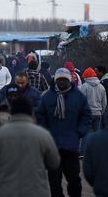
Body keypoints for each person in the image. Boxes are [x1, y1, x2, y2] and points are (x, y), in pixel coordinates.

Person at [0, 96, 60, 197]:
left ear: (11, 112)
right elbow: (54, 163)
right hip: (36, 190)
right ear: (30, 112)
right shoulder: (43, 135)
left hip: (5, 190)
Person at [36, 68, 92, 197]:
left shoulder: (78, 96)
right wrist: (45, 132)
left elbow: (86, 115)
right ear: (55, 80)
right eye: (59, 79)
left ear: (69, 80)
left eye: (64, 79)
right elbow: (40, 116)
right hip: (52, 146)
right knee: (54, 181)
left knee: (74, 180)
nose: (61, 82)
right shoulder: (47, 96)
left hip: (71, 146)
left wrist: (79, 131)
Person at [79, 67, 107, 157]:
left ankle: (83, 153)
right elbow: (104, 102)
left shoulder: (84, 87)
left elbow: (81, 102)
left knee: (86, 133)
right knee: (97, 133)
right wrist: (101, 111)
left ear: (85, 76)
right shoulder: (101, 87)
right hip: (98, 113)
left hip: (87, 114)